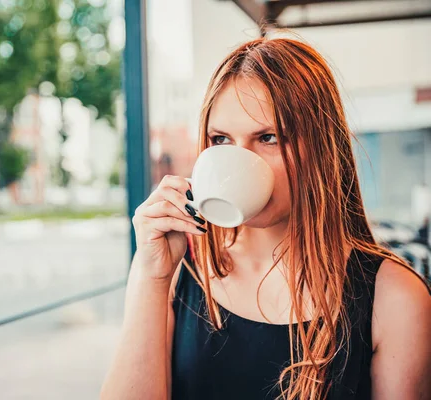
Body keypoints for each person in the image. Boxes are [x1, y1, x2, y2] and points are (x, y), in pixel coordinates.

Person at [100, 38, 431, 400]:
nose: (239, 161)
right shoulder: (181, 269)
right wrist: (150, 276)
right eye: (221, 139)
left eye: (269, 137)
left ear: (321, 148)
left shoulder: (394, 297)